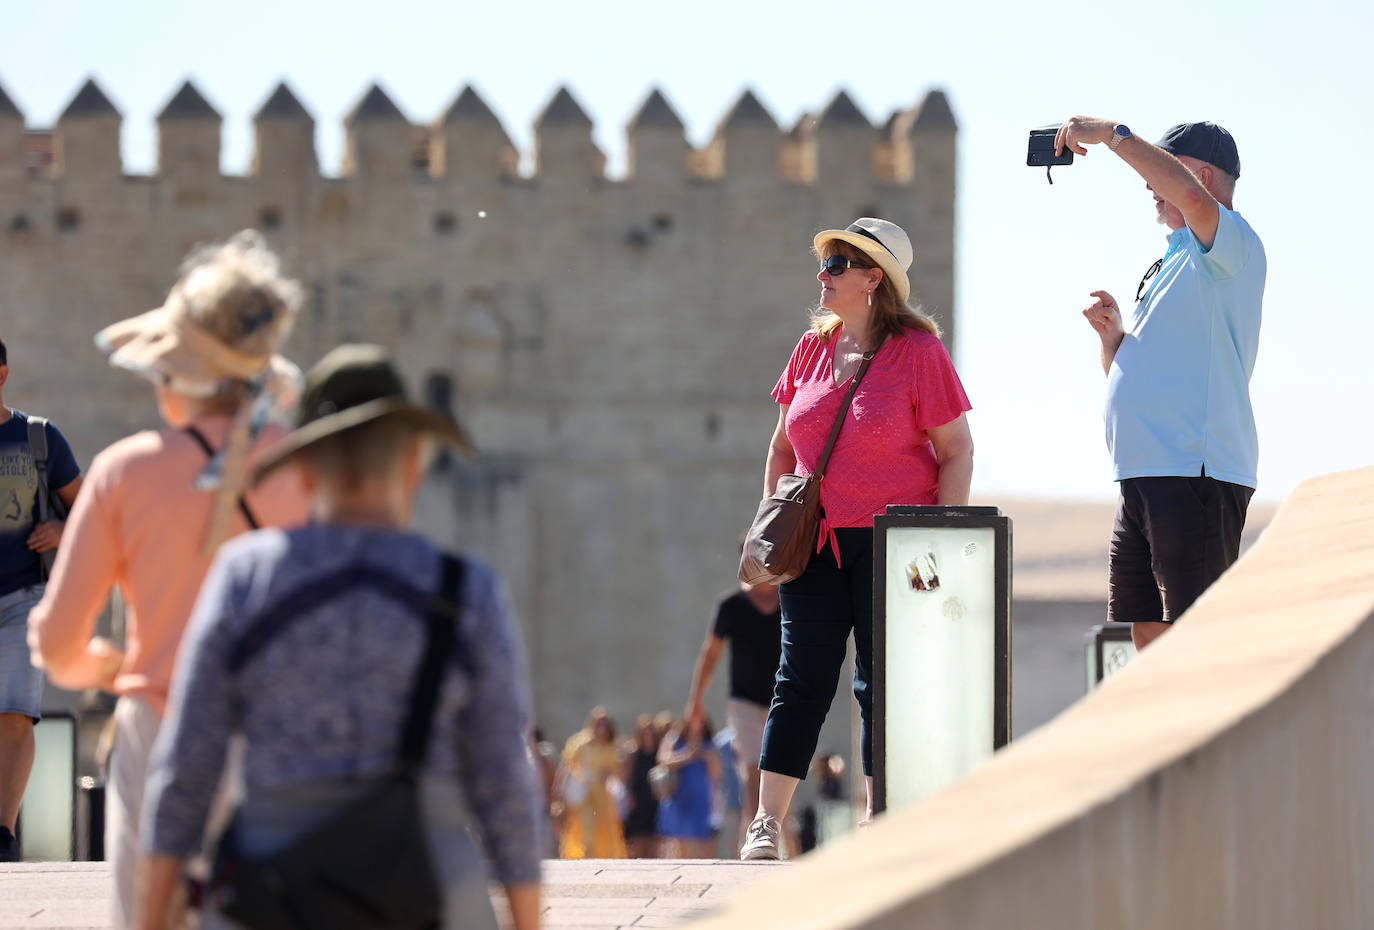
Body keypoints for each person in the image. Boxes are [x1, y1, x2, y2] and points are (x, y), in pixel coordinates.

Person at [132, 344, 543, 930]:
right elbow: (504, 782)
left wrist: (149, 920)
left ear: (302, 467)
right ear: (412, 466)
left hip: (273, 892)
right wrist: (529, 921)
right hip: (433, 893)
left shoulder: (247, 578)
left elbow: (185, 773)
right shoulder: (467, 590)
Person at [27, 231, 308, 925]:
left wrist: (108, 665)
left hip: (159, 728)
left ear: (180, 373)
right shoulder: (309, 469)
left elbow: (59, 641)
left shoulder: (126, 473)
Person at [740, 217, 973, 860]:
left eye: (838, 264)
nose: (824, 274)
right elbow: (783, 446)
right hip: (814, 544)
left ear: (874, 279)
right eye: (824, 262)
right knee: (800, 680)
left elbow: (956, 451)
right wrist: (772, 518)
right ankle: (766, 824)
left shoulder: (920, 354)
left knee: (883, 682)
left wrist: (940, 535)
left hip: (894, 544)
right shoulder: (810, 350)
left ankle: (881, 819)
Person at [1054, 118, 1265, 652]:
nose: (1150, 185)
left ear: (1202, 177)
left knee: (1192, 641)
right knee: (1143, 634)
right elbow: (1136, 377)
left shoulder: (1231, 243)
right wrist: (1112, 339)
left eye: (1163, 171)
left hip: (1195, 473)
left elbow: (1191, 200)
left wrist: (1113, 134)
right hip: (1143, 476)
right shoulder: (1173, 262)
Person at [0, 337, 83, 861]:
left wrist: (59, 528)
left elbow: (90, 511)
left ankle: (2, 836)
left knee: (13, 715)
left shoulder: (37, 438)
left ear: (2, 374)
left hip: (23, 596)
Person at [683, 571, 781, 854]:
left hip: (783, 701)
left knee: (781, 770)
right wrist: (696, 702)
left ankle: (785, 845)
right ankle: (758, 838)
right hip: (744, 704)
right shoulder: (732, 605)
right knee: (752, 773)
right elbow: (711, 653)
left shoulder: (788, 597)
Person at [555, 707, 627, 859]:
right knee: (585, 826)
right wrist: (559, 788)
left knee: (604, 828)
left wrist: (607, 773)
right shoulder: (581, 743)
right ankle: (585, 855)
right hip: (584, 793)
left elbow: (618, 772)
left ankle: (605, 857)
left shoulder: (611, 746)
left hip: (602, 795)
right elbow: (566, 765)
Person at [654, 716, 720, 859]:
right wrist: (687, 756)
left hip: (701, 793)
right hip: (678, 793)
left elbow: (716, 772)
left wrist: (704, 754)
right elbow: (663, 759)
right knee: (679, 835)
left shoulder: (708, 743)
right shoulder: (675, 739)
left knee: (702, 835)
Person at [621, 714, 661, 858]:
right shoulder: (633, 753)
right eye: (645, 731)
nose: (648, 734)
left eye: (650, 731)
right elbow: (626, 777)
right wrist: (628, 795)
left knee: (653, 840)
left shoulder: (659, 752)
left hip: (654, 800)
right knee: (636, 840)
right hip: (637, 799)